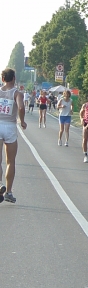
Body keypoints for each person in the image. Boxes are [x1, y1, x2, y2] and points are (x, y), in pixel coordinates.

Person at [0, 68, 27, 203]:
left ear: (2, 78)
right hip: (10, 126)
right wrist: (22, 121)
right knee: (10, 161)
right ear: (14, 78)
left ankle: (0, 184)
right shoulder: (17, 93)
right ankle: (8, 192)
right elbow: (21, 108)